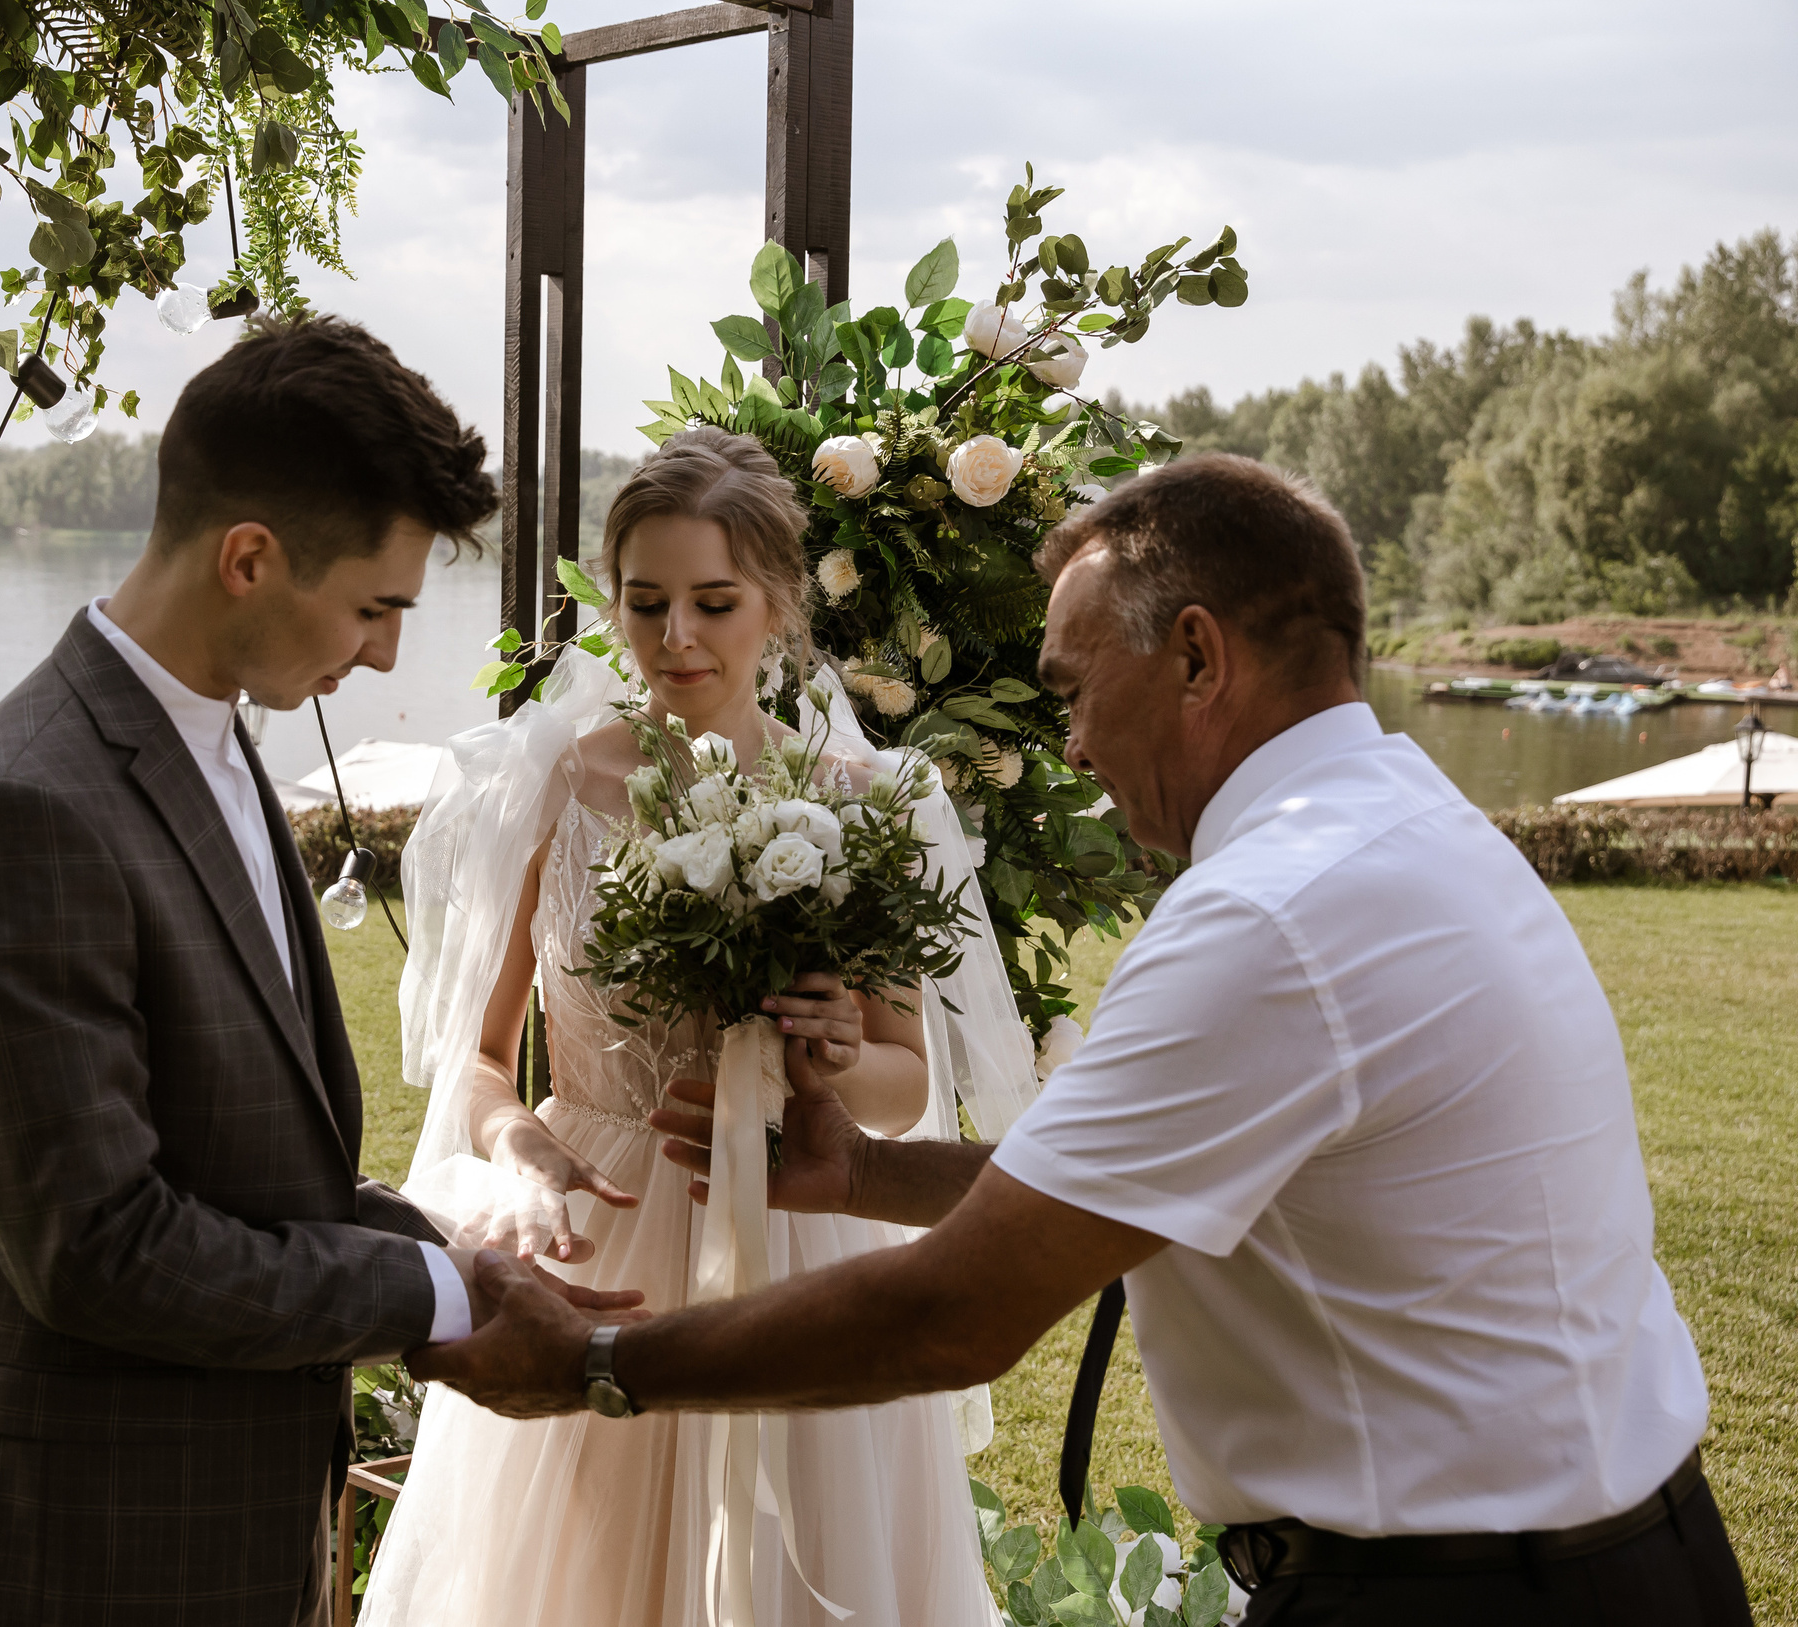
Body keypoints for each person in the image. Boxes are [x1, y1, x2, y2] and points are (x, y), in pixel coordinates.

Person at [412, 453, 1755, 1627]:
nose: (1069, 736)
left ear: (1194, 654)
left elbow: (957, 1309)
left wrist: (592, 1364)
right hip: (1631, 1552)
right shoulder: (1417, 823)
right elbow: (1119, 1192)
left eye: (1073, 684)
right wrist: (868, 1178)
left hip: (1452, 1594)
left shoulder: (1267, 917)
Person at [0, 317, 639, 1627]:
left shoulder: (220, 742)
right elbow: (102, 1246)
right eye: (373, 606)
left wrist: (453, 1248)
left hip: (250, 1531)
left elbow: (247, 1168)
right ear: (249, 558)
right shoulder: (20, 807)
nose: (391, 655)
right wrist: (441, 1292)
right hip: (98, 1555)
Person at [361, 429, 1029, 1627]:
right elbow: (472, 1052)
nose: (676, 638)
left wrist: (835, 1055)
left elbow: (899, 1085)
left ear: (776, 607)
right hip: (594, 1233)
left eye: (713, 603)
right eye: (646, 601)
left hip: (792, 1233)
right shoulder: (555, 784)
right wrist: (518, 1149)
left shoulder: (860, 805)